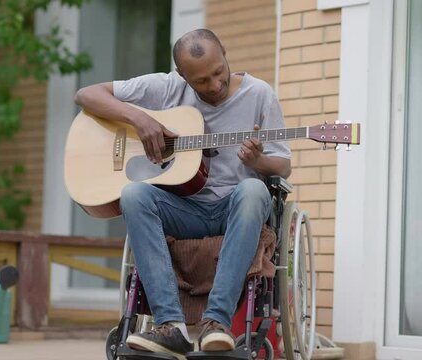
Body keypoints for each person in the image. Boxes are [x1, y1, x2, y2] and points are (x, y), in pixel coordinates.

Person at [74, 29, 291, 358]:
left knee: (253, 189)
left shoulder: (259, 94)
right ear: (182, 76)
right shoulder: (166, 88)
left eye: (219, 72)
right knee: (134, 194)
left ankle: (215, 322)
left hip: (235, 210)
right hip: (183, 211)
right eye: (202, 81)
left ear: (225, 54)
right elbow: (87, 94)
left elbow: (284, 166)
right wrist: (139, 118)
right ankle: (170, 327)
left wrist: (258, 161)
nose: (215, 85)